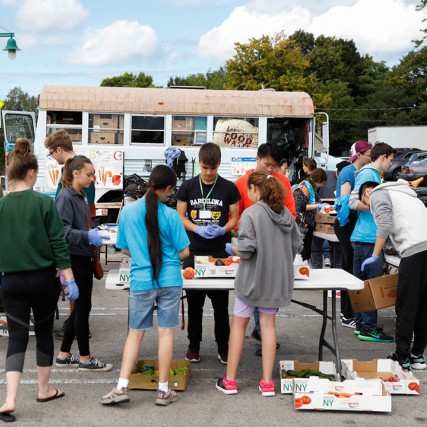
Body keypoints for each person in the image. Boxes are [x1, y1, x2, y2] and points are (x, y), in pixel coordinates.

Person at [0, 139, 77, 423]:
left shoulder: (1, 206)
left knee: (17, 339)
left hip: (11, 284)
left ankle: (9, 400)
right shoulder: (44, 203)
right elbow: (59, 243)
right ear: (32, 172)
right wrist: (69, 279)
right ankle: (44, 389)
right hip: (44, 281)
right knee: (44, 333)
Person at [101, 165, 190, 406]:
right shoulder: (171, 215)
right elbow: (184, 251)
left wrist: (142, 254)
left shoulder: (128, 212)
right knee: (166, 333)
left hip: (141, 279)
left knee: (135, 334)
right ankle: (163, 390)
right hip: (169, 279)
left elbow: (124, 247)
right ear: (169, 188)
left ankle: (121, 386)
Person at [216, 172, 303, 396]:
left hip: (252, 280)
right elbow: (297, 244)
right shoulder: (285, 214)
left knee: (238, 325)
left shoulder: (251, 214)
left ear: (255, 189)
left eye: (248, 189)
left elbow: (247, 249)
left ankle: (231, 381)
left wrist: (233, 249)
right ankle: (267, 383)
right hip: (276, 280)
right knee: (268, 327)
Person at [176, 142, 241, 364]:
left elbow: (234, 217)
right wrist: (197, 228)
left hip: (220, 252)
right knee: (195, 303)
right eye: (204, 168)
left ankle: (223, 345)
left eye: (212, 168)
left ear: (219, 164)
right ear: (199, 164)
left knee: (221, 304)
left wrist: (224, 229)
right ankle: (194, 345)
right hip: (193, 251)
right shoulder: (188, 186)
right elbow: (180, 216)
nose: (209, 173)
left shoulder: (229, 188)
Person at [359, 180, 427, 371]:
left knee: (406, 305)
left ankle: (402, 356)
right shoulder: (405, 193)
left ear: (367, 192)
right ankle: (417, 355)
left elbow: (385, 223)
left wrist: (375, 255)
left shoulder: (378, 195)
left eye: (365, 199)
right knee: (423, 305)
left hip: (414, 250)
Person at [234, 143, 296, 349]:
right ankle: (261, 331)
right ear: (257, 158)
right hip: (250, 250)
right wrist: (245, 234)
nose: (270, 170)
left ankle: (261, 331)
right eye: (267, 164)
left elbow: (291, 215)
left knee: (267, 299)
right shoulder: (243, 183)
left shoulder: (283, 182)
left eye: (274, 166)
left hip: (275, 251)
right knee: (251, 294)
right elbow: (236, 216)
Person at [55, 156, 112, 371]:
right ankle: (85, 358)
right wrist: (87, 235)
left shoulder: (79, 196)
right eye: (88, 174)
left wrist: (93, 233)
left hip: (82, 256)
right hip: (74, 258)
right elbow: (62, 232)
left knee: (80, 308)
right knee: (82, 308)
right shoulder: (65, 197)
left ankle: (63, 354)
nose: (92, 178)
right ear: (75, 173)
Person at [45, 129, 96, 340]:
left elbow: (80, 202)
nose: (52, 157)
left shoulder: (74, 170)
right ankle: (73, 327)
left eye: (51, 153)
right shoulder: (76, 168)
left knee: (77, 292)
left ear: (58, 149)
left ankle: (75, 326)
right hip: (78, 238)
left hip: (75, 242)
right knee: (76, 291)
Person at [349, 142, 395, 342]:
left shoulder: (369, 174)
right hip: (369, 238)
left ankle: (362, 324)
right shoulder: (369, 175)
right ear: (383, 156)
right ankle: (368, 327)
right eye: (391, 160)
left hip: (363, 236)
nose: (391, 165)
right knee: (371, 285)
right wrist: (379, 208)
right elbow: (354, 201)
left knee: (361, 284)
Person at [333, 141, 372, 328]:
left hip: (350, 224)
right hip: (346, 224)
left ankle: (349, 312)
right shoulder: (349, 171)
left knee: (351, 267)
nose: (370, 156)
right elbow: (345, 198)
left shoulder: (357, 172)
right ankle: (346, 314)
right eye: (368, 153)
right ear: (359, 154)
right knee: (349, 268)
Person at [293, 168, 328, 262]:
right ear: (318, 180)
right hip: (302, 224)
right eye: (322, 183)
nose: (322, 185)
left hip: (309, 223)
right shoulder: (303, 188)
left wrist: (323, 204)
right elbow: (300, 207)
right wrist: (317, 205)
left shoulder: (311, 188)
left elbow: (318, 199)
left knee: (307, 251)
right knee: (302, 253)